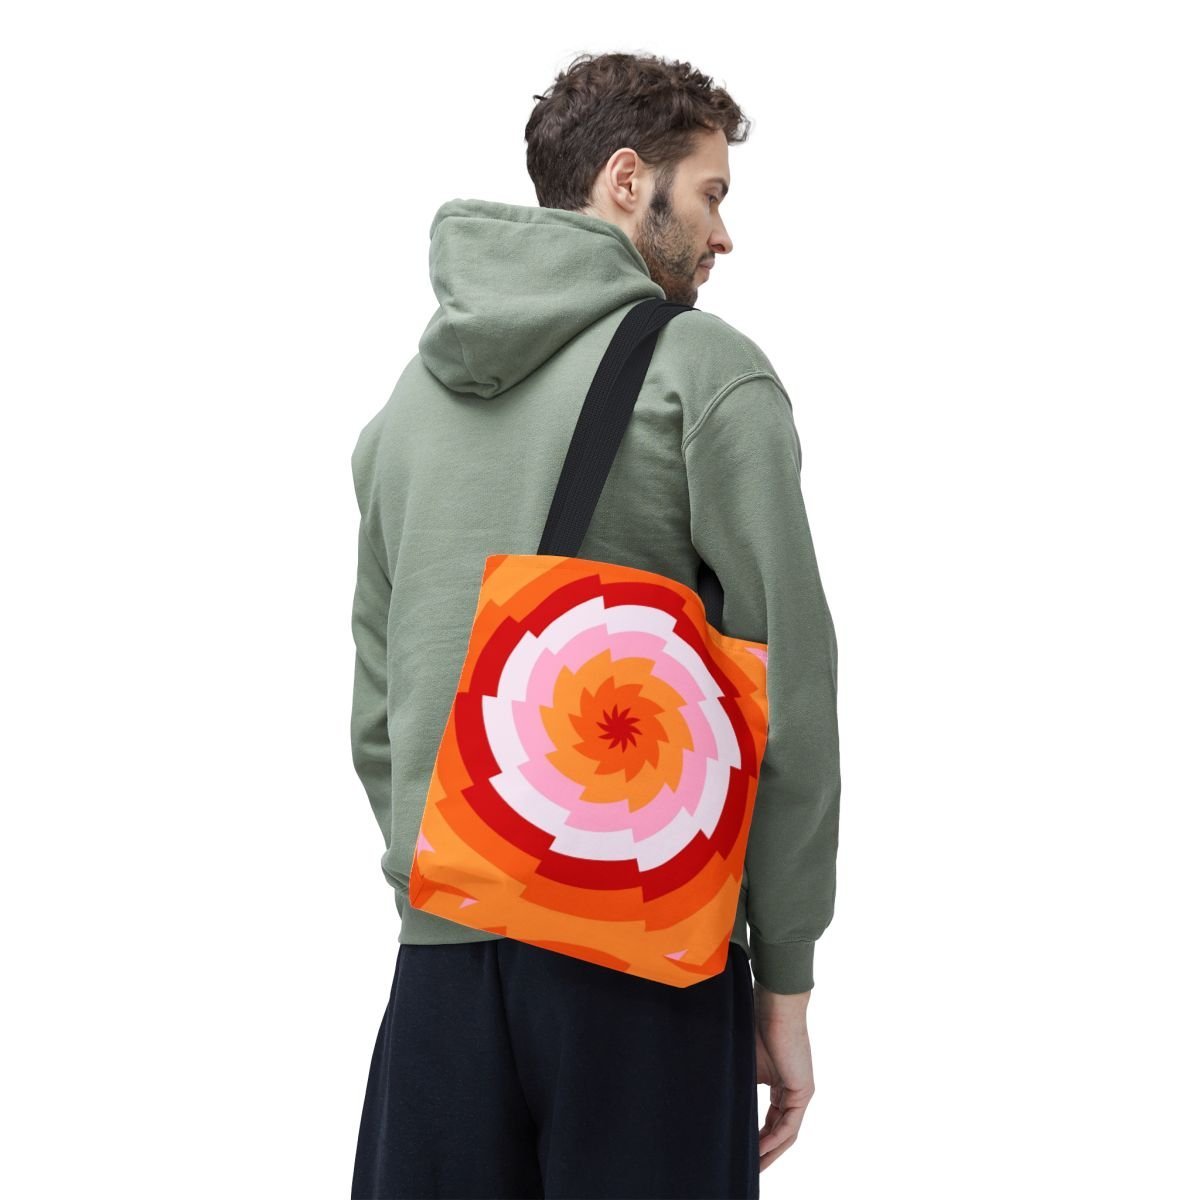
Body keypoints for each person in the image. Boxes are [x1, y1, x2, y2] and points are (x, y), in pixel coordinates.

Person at [348, 51, 841, 1200]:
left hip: (440, 972)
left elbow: (379, 711)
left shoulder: (404, 410)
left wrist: (454, 892)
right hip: (643, 961)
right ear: (628, 180)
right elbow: (791, 701)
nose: (723, 237)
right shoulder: (704, 374)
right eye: (710, 194)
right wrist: (786, 979)